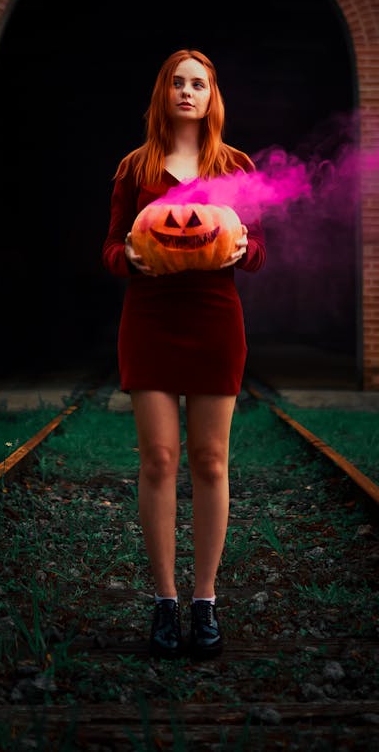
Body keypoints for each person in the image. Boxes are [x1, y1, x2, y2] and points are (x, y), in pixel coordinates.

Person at [102, 49, 265, 660]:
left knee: (212, 461)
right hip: (149, 319)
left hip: (214, 317)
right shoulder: (134, 167)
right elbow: (111, 248)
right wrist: (130, 260)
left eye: (199, 83)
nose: (188, 91)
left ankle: (205, 600)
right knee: (159, 459)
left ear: (212, 94)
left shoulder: (235, 166)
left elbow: (258, 247)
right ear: (163, 92)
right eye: (178, 81)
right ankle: (165, 602)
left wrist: (242, 251)